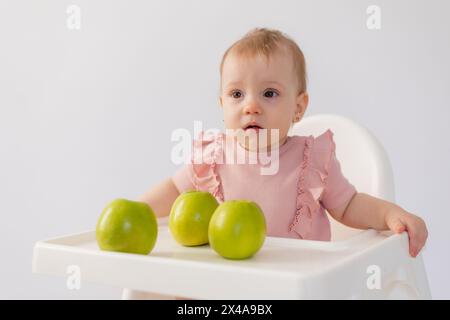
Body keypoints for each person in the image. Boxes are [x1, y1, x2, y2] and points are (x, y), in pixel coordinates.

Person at [124, 28, 428, 299]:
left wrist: (390, 213)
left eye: (269, 93)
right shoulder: (213, 157)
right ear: (221, 104)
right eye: (236, 94)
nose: (251, 106)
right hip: (226, 284)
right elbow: (175, 190)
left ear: (298, 107)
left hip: (297, 287)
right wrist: (137, 212)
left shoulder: (312, 161)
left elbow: (349, 206)